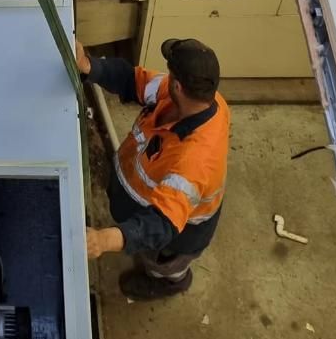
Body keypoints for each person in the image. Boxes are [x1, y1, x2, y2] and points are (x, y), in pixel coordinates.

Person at [78, 37, 230, 301]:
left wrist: (104, 240)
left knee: (163, 264)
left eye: (170, 74)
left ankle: (168, 283)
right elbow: (133, 80)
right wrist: (88, 65)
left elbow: (160, 225)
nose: (164, 77)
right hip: (141, 200)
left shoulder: (194, 161)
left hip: (179, 236)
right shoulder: (199, 98)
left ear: (178, 86)